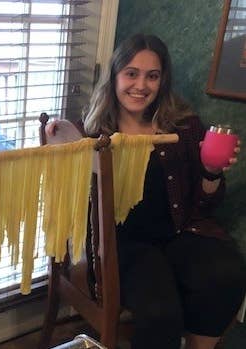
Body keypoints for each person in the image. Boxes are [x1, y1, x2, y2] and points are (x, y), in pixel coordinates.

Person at [45, 33, 246, 349]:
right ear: (115, 76)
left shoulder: (184, 125)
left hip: (178, 232)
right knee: (161, 312)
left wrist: (212, 170)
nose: (141, 85)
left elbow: (205, 204)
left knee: (228, 274)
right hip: (120, 243)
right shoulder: (93, 130)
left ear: (162, 80)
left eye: (152, 76)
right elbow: (68, 189)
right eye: (131, 74)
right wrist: (64, 136)